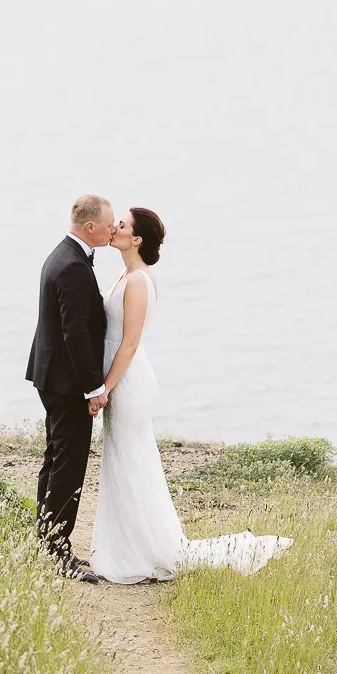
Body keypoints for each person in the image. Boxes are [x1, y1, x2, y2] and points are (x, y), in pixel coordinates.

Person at [90, 207, 293, 584]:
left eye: (123, 224)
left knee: (132, 463)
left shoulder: (138, 282)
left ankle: (147, 550)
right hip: (121, 377)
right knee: (123, 463)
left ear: (137, 239)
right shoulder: (125, 274)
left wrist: (105, 387)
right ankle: (127, 547)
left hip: (129, 381)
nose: (114, 226)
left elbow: (130, 344)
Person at [25, 194, 114, 582]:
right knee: (69, 463)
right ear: (90, 227)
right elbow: (74, 333)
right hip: (66, 382)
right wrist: (94, 388)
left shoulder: (63, 255)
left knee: (56, 456)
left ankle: (46, 541)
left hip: (52, 374)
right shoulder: (73, 266)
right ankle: (57, 550)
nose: (113, 229)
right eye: (108, 223)